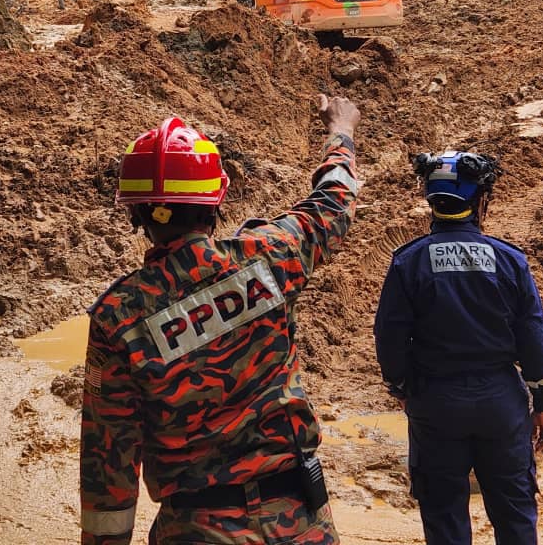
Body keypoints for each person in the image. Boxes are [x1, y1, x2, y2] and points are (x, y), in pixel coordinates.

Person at [80, 94, 361, 545]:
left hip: (195, 530)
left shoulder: (120, 316)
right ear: (216, 202)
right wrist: (341, 132)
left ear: (135, 214)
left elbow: (108, 464)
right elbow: (333, 203)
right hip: (300, 522)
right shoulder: (270, 256)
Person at [374, 150, 543, 545]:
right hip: (501, 404)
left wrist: (401, 388)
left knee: (443, 513)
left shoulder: (409, 262)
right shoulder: (510, 261)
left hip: (435, 402)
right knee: (515, 510)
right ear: (480, 200)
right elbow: (533, 337)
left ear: (430, 200)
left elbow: (389, 337)